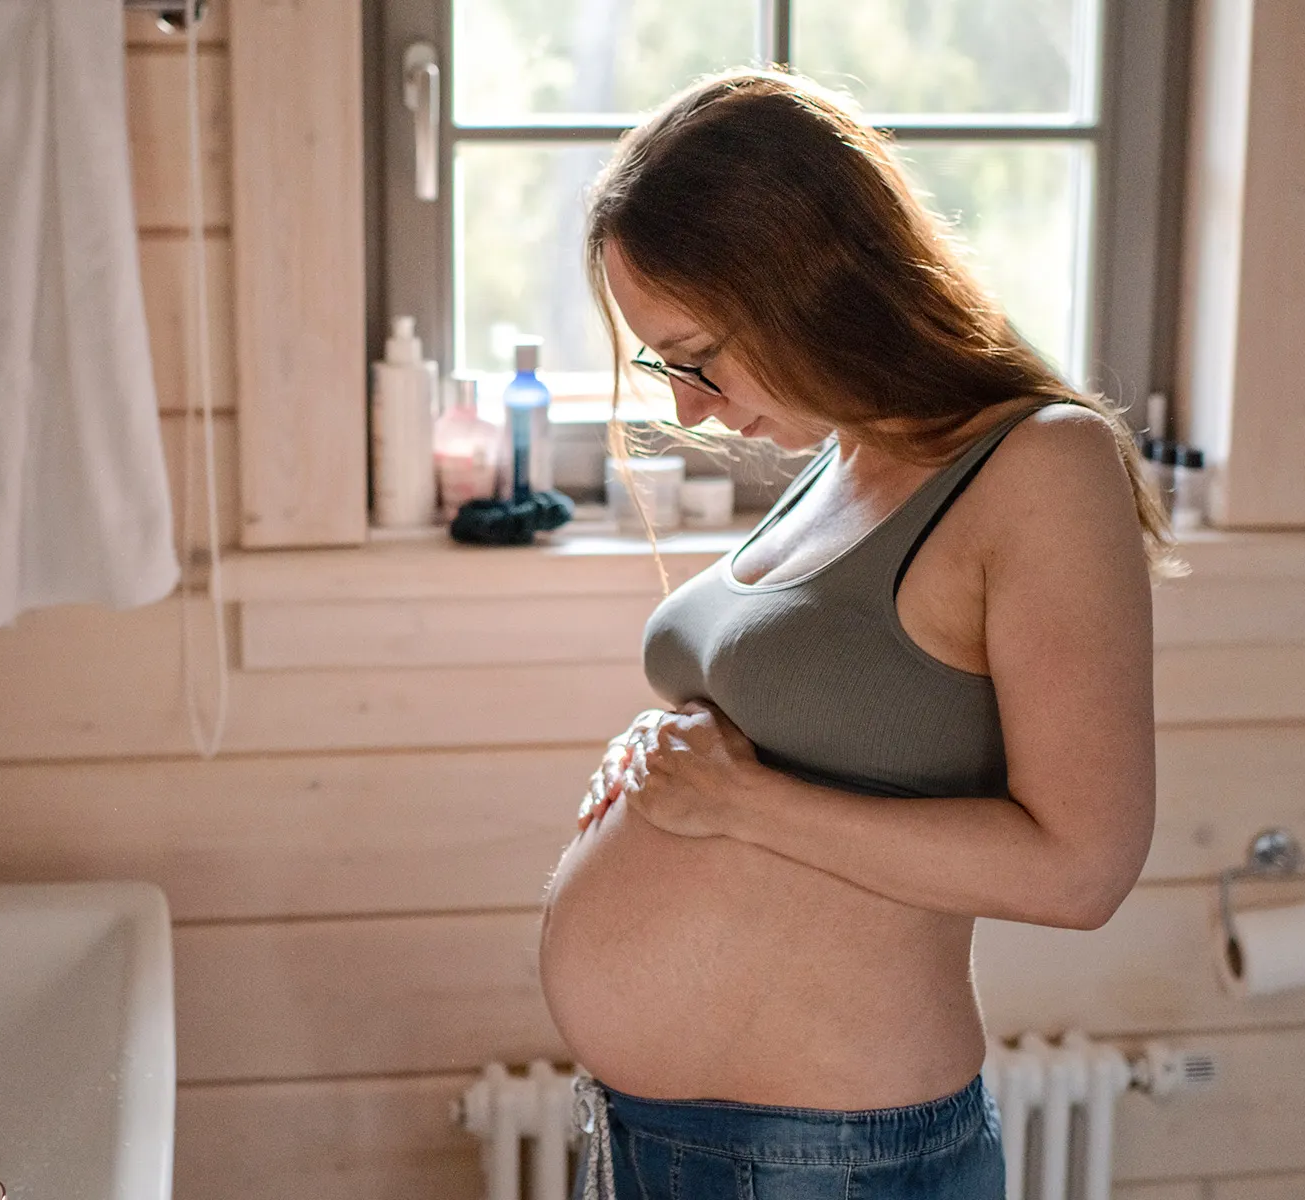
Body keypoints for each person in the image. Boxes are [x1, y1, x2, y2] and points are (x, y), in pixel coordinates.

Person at [537, 68, 1174, 1200]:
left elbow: (1082, 869)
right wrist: (670, 750)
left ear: (811, 281)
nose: (686, 407)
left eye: (697, 356)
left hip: (826, 1161)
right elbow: (826, 706)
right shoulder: (840, 457)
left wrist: (743, 803)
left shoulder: (1040, 469)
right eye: (660, 362)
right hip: (662, 1135)